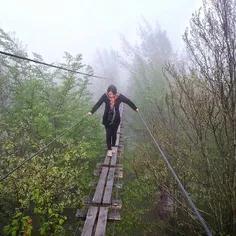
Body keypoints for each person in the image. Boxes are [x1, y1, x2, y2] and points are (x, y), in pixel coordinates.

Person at [88, 84, 139, 157]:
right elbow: (98, 103)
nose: (111, 96)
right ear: (108, 92)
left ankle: (113, 146)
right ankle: (109, 150)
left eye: (112, 94)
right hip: (107, 119)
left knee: (114, 133)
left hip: (116, 119)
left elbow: (128, 101)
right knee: (108, 134)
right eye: (109, 94)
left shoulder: (119, 96)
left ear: (115, 93)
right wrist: (91, 111)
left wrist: (135, 108)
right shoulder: (105, 96)